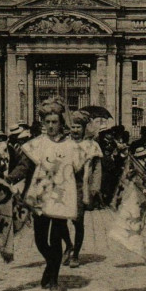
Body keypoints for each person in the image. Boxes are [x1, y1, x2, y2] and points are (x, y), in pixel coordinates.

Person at [7, 99, 85, 291]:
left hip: (62, 199)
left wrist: (80, 198)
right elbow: (24, 167)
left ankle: (54, 281)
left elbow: (77, 174)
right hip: (39, 197)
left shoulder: (72, 147)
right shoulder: (36, 144)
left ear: (61, 123)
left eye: (55, 122)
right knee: (41, 240)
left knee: (56, 238)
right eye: (47, 122)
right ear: (43, 123)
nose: (51, 126)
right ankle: (50, 266)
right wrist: (10, 177)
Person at [63, 111, 103, 268]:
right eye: (72, 126)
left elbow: (98, 168)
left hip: (81, 186)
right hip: (65, 185)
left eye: (78, 127)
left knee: (78, 221)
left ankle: (76, 255)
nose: (75, 130)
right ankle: (68, 243)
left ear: (84, 128)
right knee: (59, 219)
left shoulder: (92, 146)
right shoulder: (65, 143)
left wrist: (95, 186)